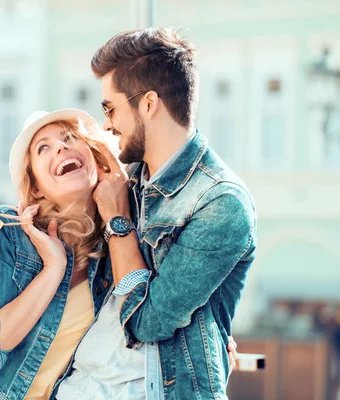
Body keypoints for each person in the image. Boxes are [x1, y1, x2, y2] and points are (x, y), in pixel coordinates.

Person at [54, 28, 256, 399]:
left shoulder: (220, 203)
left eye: (110, 108)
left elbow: (147, 322)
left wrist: (118, 223)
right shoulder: (125, 182)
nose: (107, 124)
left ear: (148, 104)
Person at [0, 108, 125, 400]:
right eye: (44, 148)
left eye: (70, 138)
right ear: (37, 188)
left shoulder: (109, 253)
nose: (61, 146)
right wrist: (53, 268)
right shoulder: (9, 231)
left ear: (96, 159)